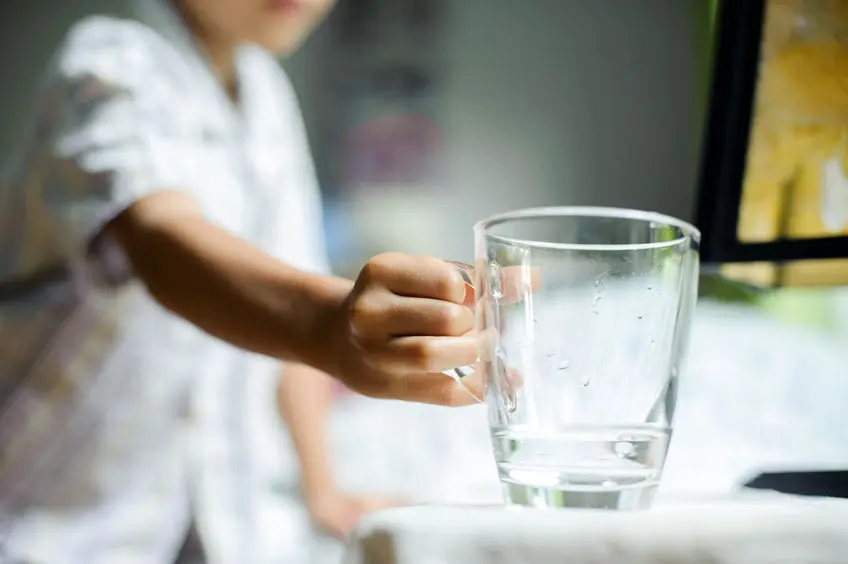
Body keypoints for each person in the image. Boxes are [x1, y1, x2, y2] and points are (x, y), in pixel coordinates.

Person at [0, 0, 481, 561]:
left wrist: (321, 489)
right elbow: (161, 239)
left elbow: (296, 283)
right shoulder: (112, 60)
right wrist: (326, 323)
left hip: (210, 522)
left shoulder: (266, 93)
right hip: (51, 521)